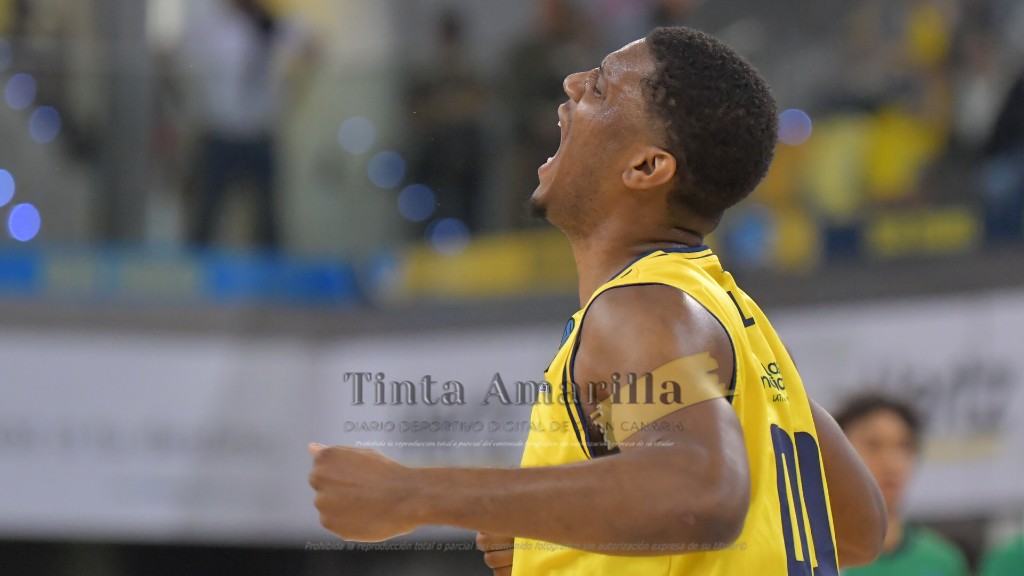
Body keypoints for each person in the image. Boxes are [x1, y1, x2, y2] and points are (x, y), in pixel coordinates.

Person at [309, 27, 887, 575]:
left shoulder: (642, 308)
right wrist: (560, 529)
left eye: (602, 87)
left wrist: (414, 493)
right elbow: (858, 529)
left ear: (645, 167)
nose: (573, 83)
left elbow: (699, 492)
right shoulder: (734, 319)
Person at [835, 394, 969, 576]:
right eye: (873, 445)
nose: (891, 463)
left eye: (903, 446)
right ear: (836, 452)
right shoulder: (814, 559)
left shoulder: (943, 561)